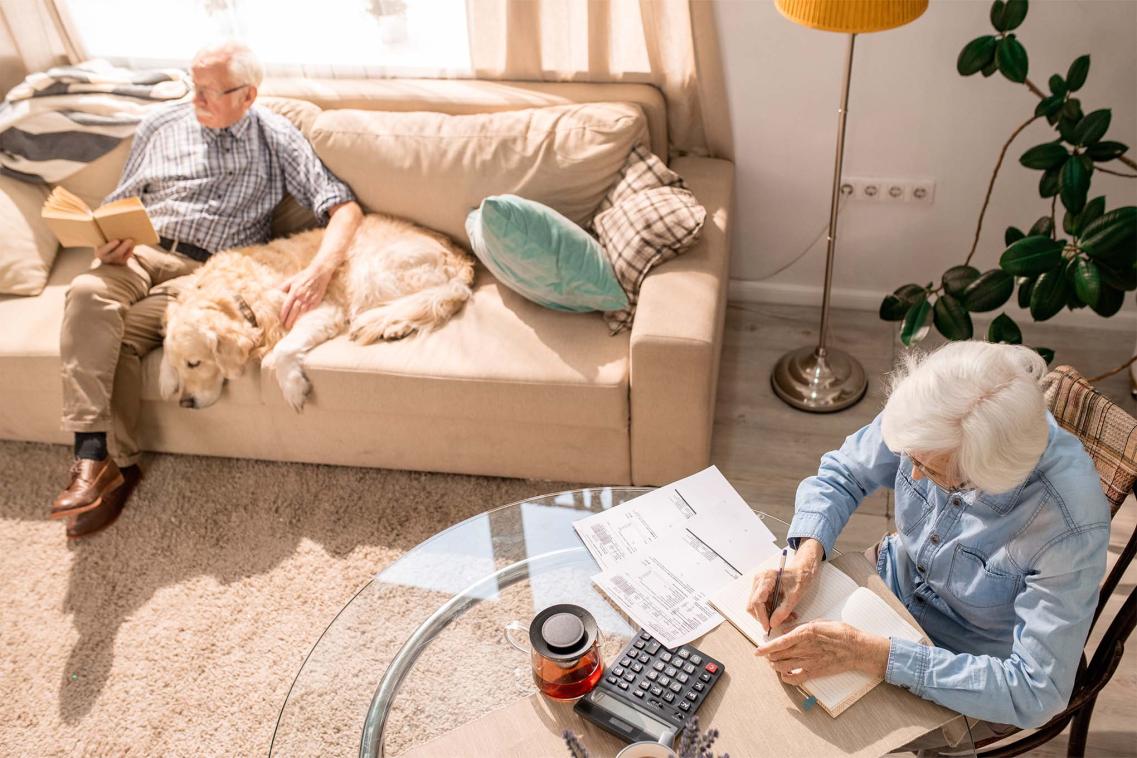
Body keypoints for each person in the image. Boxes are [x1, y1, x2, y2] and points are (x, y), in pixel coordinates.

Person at [51, 41, 362, 538]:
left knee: (123, 337)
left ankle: (120, 468)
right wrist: (102, 242)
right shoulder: (159, 125)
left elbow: (342, 207)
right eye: (194, 87)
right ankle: (89, 455)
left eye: (210, 92)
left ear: (248, 94)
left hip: (204, 274)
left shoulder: (275, 136)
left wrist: (320, 270)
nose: (196, 98)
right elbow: (120, 198)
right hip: (140, 250)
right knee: (88, 292)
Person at [747, 341, 1109, 742]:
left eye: (931, 470)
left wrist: (873, 655)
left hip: (967, 666)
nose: (911, 476)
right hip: (888, 583)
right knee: (756, 687)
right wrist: (806, 555)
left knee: (812, 741)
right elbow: (845, 472)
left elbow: (1036, 691)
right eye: (910, 458)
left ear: (986, 477)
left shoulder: (1069, 526)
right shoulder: (939, 405)